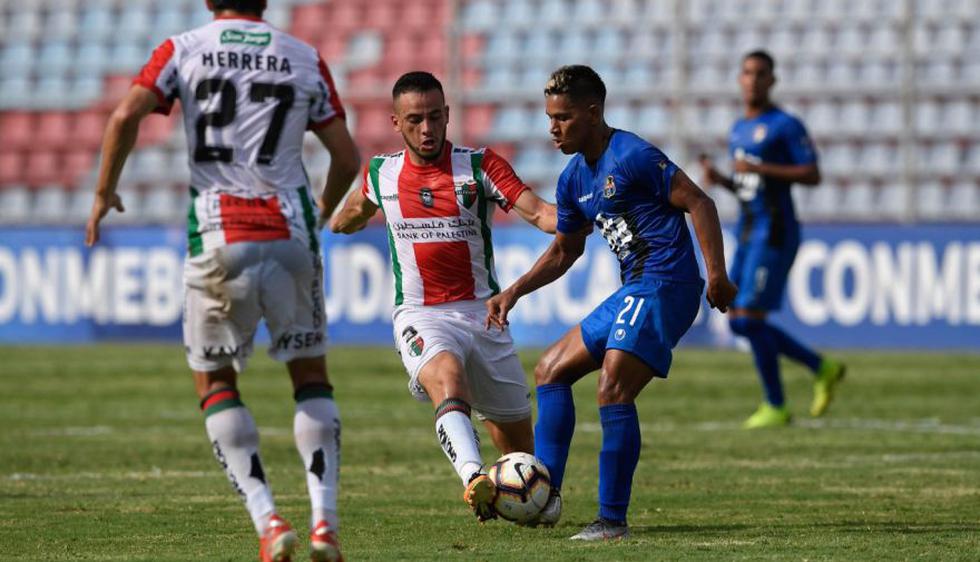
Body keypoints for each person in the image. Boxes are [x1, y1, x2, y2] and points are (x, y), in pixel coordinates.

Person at [85, 1, 360, 560]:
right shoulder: (304, 56)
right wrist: (320, 212)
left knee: (215, 382)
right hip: (291, 235)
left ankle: (268, 521)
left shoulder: (182, 48)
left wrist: (102, 191)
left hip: (218, 234)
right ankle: (325, 525)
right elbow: (346, 155)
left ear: (210, 1)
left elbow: (123, 117)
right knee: (310, 376)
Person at [485, 65, 738, 540]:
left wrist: (717, 276)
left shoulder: (634, 155)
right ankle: (545, 495)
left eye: (562, 117)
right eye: (548, 117)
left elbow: (700, 203)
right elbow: (564, 251)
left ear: (593, 112)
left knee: (613, 387)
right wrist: (513, 291)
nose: (552, 128)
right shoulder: (573, 178)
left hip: (668, 284)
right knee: (549, 371)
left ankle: (612, 520)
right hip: (634, 290)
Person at [330, 71, 556, 522]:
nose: (427, 129)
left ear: (449, 115)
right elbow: (350, 214)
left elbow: (543, 215)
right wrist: (334, 221)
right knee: (446, 376)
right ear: (396, 122)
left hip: (483, 315)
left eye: (436, 117)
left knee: (519, 451)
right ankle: (474, 479)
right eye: (415, 119)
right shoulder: (382, 172)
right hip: (420, 314)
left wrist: (588, 208)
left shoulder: (480, 167)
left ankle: (520, 498)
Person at [699, 50, 846, 429]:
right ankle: (820, 367)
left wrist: (760, 166)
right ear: (739, 79)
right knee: (737, 320)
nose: (752, 79)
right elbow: (751, 186)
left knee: (748, 318)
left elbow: (813, 174)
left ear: (772, 80)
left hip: (776, 230)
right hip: (748, 229)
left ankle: (776, 404)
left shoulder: (785, 125)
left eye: (760, 73)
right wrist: (723, 180)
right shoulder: (737, 129)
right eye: (747, 72)